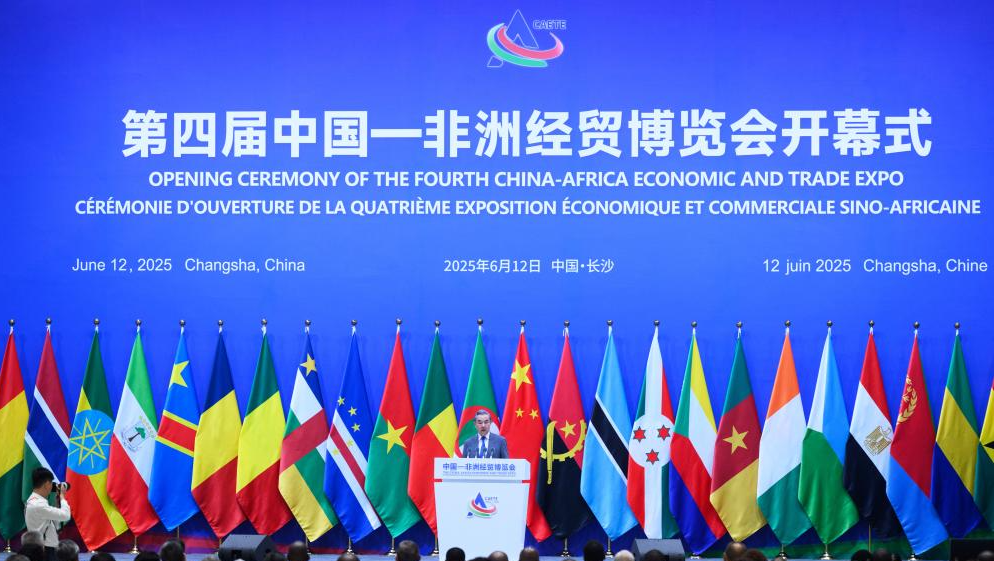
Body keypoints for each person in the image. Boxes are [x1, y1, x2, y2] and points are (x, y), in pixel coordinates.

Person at [24, 468, 70, 558]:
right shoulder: (39, 504)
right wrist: (62, 497)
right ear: (46, 484)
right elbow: (66, 515)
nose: (52, 486)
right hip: (46, 548)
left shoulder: (33, 500)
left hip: (42, 545)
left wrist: (57, 501)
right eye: (51, 483)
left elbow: (53, 522)